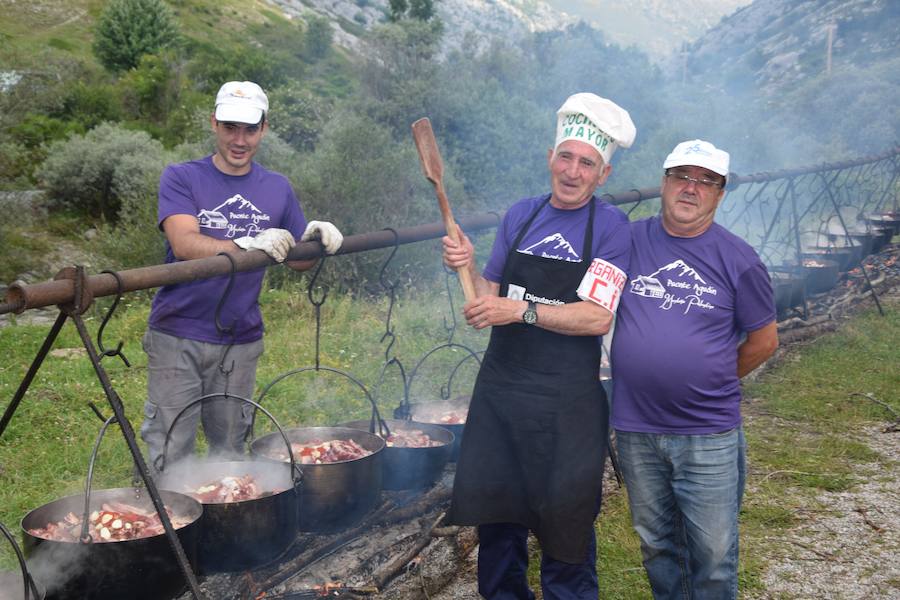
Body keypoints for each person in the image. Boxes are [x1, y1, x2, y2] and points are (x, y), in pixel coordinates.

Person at [442, 92, 636, 600]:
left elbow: (598, 316)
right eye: (565, 157)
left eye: (587, 163)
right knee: (497, 521)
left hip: (566, 403)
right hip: (502, 394)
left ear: (604, 175)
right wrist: (464, 265)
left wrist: (522, 310)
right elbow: (487, 299)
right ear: (550, 158)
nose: (572, 171)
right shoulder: (520, 216)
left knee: (566, 528)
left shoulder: (612, 228)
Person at [140, 81, 344, 468]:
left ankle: (226, 525)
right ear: (214, 123)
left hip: (240, 339)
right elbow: (184, 243)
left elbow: (294, 258)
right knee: (170, 446)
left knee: (231, 448)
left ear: (264, 128)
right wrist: (249, 244)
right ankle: (174, 527)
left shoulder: (277, 187)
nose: (240, 140)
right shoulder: (182, 177)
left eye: (250, 129)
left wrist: (311, 241)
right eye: (231, 127)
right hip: (177, 333)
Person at [611, 140, 779, 599]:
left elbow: (764, 341)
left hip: (707, 431)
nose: (692, 188)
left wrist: (713, 377)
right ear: (663, 183)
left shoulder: (739, 259)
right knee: (656, 545)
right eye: (682, 176)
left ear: (720, 195)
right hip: (635, 427)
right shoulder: (628, 239)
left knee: (713, 554)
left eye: (706, 181)